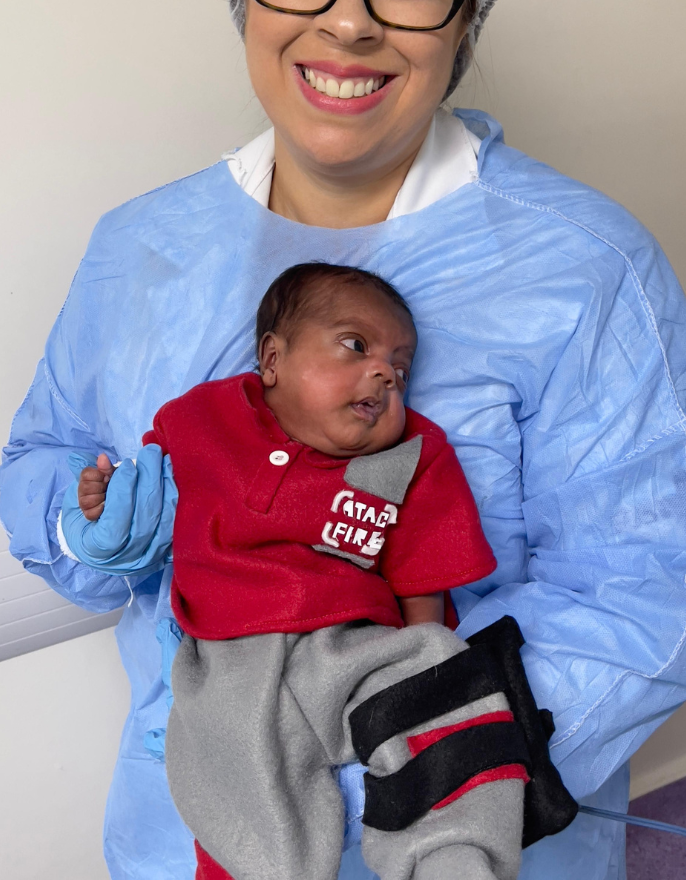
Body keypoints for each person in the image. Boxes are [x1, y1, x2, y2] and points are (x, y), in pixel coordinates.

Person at [0, 0, 686, 880]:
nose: (349, 18)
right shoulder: (142, 252)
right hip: (187, 828)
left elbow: (649, 588)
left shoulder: (587, 270)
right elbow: (44, 460)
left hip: (466, 826)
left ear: (467, 10)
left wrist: (404, 755)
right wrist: (89, 522)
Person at [74, 261, 529, 880]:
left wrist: (424, 660)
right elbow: (147, 504)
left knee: (450, 697)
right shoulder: (200, 419)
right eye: (356, 346)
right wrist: (107, 503)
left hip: (356, 645)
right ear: (272, 360)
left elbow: (427, 574)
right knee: (233, 778)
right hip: (230, 653)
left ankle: (454, 862)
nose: (383, 375)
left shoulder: (414, 454)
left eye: (400, 371)